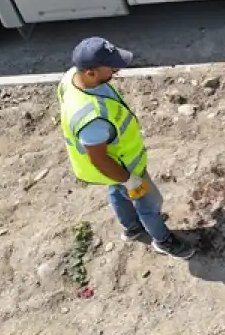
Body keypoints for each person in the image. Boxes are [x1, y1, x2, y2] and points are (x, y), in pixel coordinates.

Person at [57, 37, 195, 260]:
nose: (116, 68)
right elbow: (100, 160)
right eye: (110, 66)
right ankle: (163, 241)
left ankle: (132, 228)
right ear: (91, 72)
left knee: (117, 192)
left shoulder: (72, 77)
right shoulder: (93, 120)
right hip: (121, 166)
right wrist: (128, 179)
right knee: (149, 203)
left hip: (113, 169)